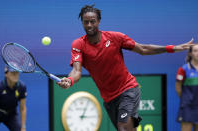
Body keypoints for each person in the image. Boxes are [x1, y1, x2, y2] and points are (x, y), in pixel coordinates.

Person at [57, 5, 194, 131]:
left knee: (123, 127)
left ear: (99, 21)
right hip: (109, 99)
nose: (89, 25)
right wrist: (69, 80)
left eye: (92, 21)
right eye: (86, 22)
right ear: (82, 23)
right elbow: (76, 70)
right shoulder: (78, 44)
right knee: (127, 129)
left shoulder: (115, 37)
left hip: (128, 90)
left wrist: (171, 48)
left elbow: (143, 49)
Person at [0, 66, 27, 131]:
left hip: (11, 114)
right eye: (13, 73)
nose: (15, 75)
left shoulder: (22, 87)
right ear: (6, 74)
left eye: (17, 73)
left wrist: (23, 127)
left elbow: (23, 108)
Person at [176, 44, 198, 131]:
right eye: (195, 51)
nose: (197, 53)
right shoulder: (183, 69)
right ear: (190, 53)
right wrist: (185, 100)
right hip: (187, 107)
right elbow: (178, 88)